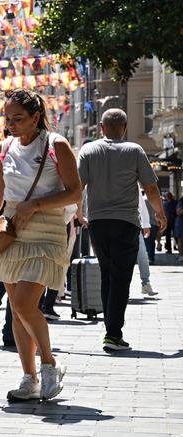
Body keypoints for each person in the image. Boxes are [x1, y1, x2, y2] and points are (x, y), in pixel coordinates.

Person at [0, 88, 82, 401]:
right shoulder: (4, 147)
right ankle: (29, 378)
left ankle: (49, 365)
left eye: (18, 118)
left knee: (24, 304)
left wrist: (37, 205)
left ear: (36, 117)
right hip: (12, 230)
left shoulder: (56, 145)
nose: (11, 124)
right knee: (17, 311)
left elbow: (75, 193)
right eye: (7, 118)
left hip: (46, 231)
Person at [77, 108, 166, 352]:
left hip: (97, 222)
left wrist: (77, 212)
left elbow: (77, 186)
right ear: (124, 128)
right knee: (121, 277)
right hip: (126, 222)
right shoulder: (134, 150)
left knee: (108, 273)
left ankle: (111, 330)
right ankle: (113, 333)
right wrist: (159, 213)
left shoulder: (89, 150)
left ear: (102, 128)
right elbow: (150, 187)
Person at [136, 191, 158, 297]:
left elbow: (141, 203)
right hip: (109, 221)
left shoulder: (131, 176)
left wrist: (145, 224)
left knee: (142, 255)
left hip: (132, 223)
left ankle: (145, 283)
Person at [175, 195, 183, 262]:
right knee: (180, 239)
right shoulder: (181, 202)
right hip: (181, 223)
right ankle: (181, 255)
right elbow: (179, 212)